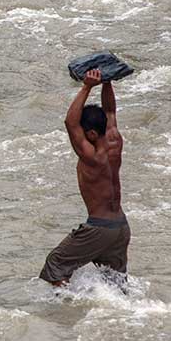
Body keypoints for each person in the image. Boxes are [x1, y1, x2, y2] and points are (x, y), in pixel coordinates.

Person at [40, 68, 130, 286]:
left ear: (90, 134)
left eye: (83, 131)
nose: (78, 134)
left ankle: (64, 312)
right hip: (120, 227)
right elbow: (110, 111)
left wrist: (87, 86)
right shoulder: (114, 140)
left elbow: (70, 123)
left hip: (99, 228)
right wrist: (106, 80)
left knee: (55, 264)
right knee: (114, 284)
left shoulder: (92, 156)